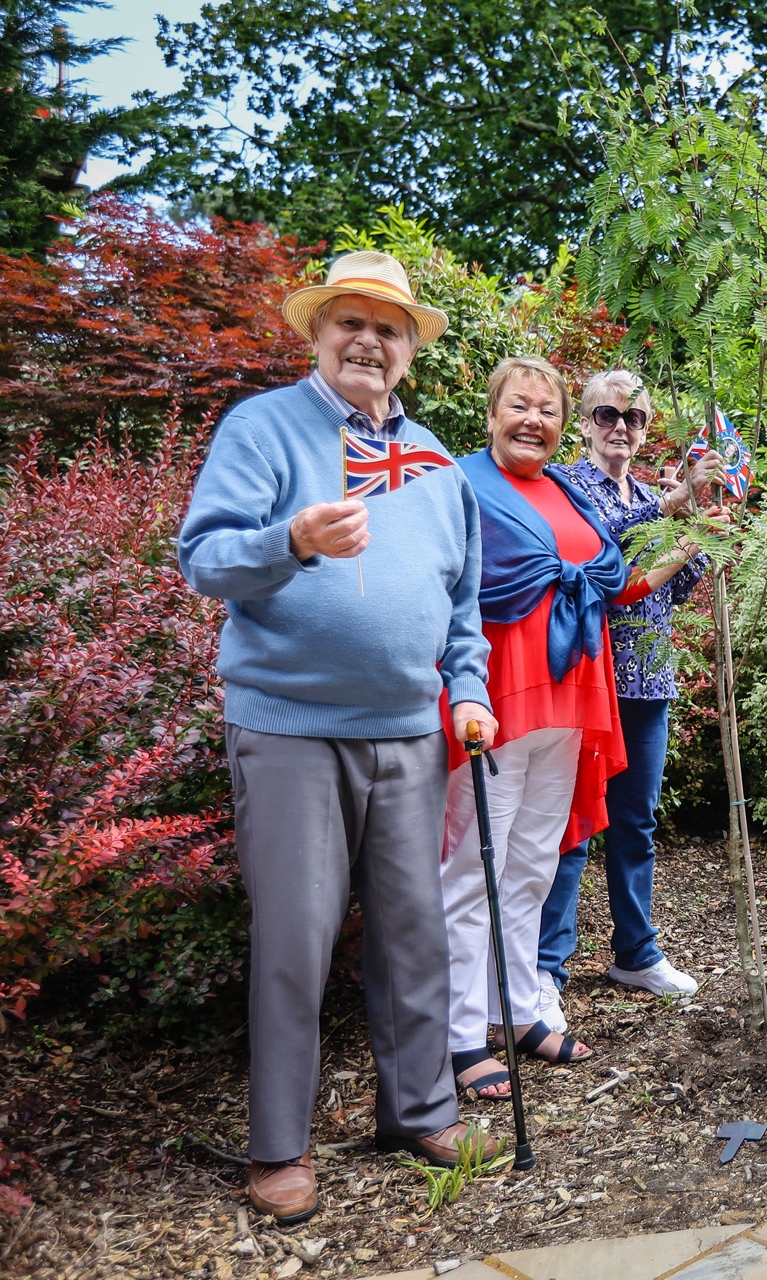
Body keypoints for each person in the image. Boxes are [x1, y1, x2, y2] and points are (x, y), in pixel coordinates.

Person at [176, 250, 502, 1226]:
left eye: (388, 328)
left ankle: (420, 1110)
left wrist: (469, 690)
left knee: (414, 931)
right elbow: (205, 557)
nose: (368, 340)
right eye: (350, 321)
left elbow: (462, 602)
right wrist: (294, 541)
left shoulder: (436, 462)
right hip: (291, 728)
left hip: (409, 731)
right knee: (296, 938)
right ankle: (279, 1143)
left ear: (409, 351)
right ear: (318, 332)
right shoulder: (263, 428)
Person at [440, 357, 704, 1099]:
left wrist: (692, 538)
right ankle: (460, 1033)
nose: (534, 420)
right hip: (497, 697)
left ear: (562, 425)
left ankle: (518, 1008)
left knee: (532, 861)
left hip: (571, 699)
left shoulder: (564, 491)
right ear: (491, 413)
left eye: (546, 409)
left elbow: (616, 585)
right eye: (519, 405)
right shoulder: (462, 483)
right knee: (476, 869)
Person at [536, 371, 721, 1009]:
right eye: (607, 415)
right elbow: (599, 551)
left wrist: (697, 530)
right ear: (584, 424)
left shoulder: (650, 492)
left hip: (648, 681)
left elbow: (674, 587)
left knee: (636, 823)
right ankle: (546, 969)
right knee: (571, 826)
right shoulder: (565, 486)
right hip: (586, 679)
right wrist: (668, 511)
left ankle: (636, 953)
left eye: (634, 418)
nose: (621, 427)